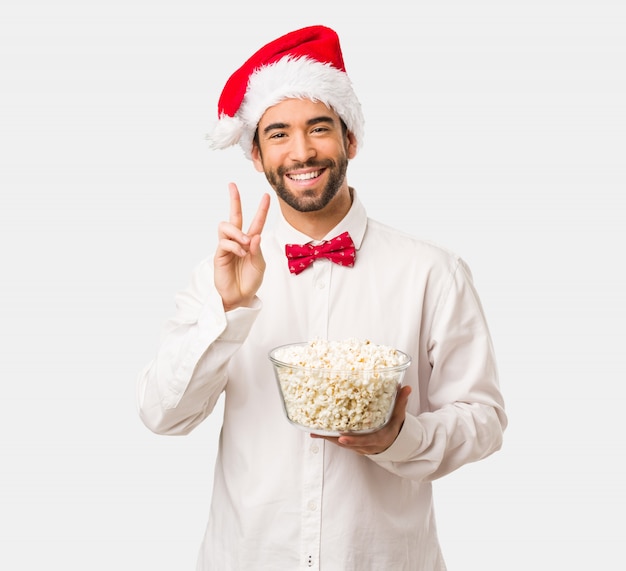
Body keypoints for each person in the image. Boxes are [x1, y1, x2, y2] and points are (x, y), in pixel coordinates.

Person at [136, 24, 507, 571]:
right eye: (279, 134)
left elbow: (484, 420)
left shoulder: (433, 272)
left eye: (319, 128)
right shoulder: (217, 277)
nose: (302, 151)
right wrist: (230, 310)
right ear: (256, 156)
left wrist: (398, 437)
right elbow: (162, 416)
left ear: (350, 140)